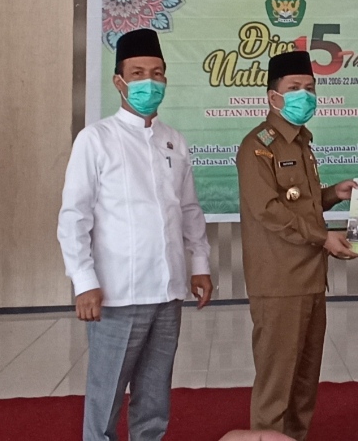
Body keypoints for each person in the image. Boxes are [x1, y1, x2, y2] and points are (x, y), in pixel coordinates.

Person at [57, 28, 214, 441]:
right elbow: (74, 217)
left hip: (168, 291)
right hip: (117, 294)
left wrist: (199, 264)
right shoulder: (96, 139)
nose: (149, 82)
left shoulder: (174, 140)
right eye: (138, 73)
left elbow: (189, 210)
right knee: (106, 395)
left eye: (157, 73)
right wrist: (84, 281)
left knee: (155, 396)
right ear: (119, 81)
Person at [235, 50, 358, 441]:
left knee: (304, 381)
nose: (304, 95)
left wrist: (333, 194)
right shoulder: (258, 146)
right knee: (277, 382)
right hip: (279, 280)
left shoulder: (302, 141)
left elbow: (301, 203)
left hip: (311, 277)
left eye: (309, 87)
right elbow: (268, 210)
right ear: (273, 96)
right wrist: (325, 238)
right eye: (294, 88)